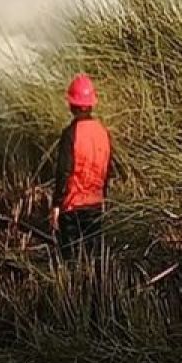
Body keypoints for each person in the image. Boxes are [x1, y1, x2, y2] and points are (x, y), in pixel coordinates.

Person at [50, 73, 113, 260]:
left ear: (72, 105)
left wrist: (56, 205)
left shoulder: (70, 134)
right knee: (94, 258)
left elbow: (64, 172)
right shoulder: (103, 132)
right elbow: (107, 170)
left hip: (72, 207)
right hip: (95, 205)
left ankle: (72, 287)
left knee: (71, 260)